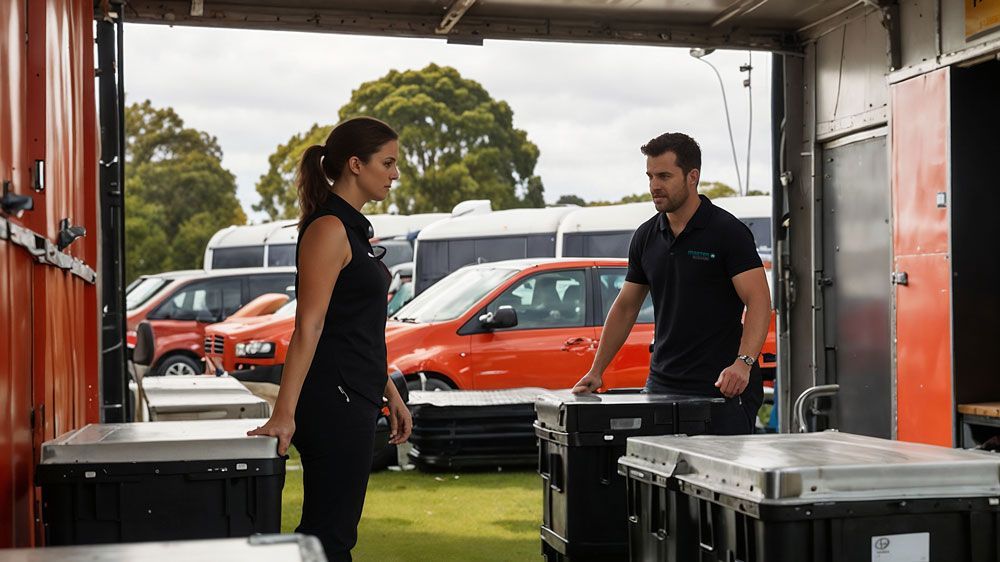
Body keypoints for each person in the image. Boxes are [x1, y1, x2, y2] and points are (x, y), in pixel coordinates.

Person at [248, 116, 412, 560]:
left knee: (335, 531)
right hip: (332, 401)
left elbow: (355, 328)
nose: (396, 174)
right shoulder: (328, 229)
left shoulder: (352, 227)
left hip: (357, 394)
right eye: (388, 162)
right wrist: (285, 412)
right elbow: (310, 326)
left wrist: (389, 391)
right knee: (330, 534)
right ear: (355, 165)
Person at [572, 132, 771, 435]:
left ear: (693, 176)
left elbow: (758, 301)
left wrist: (743, 363)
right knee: (653, 478)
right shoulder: (645, 236)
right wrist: (596, 370)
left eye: (664, 175)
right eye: (650, 176)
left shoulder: (728, 232)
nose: (654, 185)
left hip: (723, 386)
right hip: (662, 383)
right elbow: (626, 307)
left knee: (716, 481)